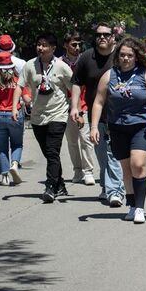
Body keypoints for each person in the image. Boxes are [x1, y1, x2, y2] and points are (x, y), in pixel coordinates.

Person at [89, 37, 146, 224]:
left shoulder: (145, 75)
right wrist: (94, 127)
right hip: (117, 127)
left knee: (138, 164)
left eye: (130, 55)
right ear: (118, 56)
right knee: (126, 169)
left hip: (142, 126)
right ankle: (132, 205)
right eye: (122, 55)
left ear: (136, 57)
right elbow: (99, 102)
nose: (125, 58)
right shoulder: (109, 75)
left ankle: (140, 208)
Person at [15, 33, 74, 203]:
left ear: (53, 48)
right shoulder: (29, 65)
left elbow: (74, 88)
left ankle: (50, 187)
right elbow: (19, 86)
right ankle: (60, 184)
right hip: (37, 116)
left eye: (44, 45)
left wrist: (76, 109)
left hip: (58, 114)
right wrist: (14, 107)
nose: (40, 48)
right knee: (49, 153)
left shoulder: (62, 67)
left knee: (52, 151)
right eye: (39, 44)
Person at [71, 24, 125, 206]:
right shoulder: (87, 57)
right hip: (96, 115)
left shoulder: (121, 56)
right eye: (98, 35)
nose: (102, 37)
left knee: (113, 154)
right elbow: (77, 82)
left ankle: (115, 191)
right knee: (101, 154)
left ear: (113, 37)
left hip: (119, 114)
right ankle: (106, 186)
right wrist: (75, 107)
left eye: (106, 34)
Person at [0, 52, 27, 186]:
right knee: (17, 144)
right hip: (15, 114)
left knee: (2, 148)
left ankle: (4, 177)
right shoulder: (18, 80)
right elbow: (27, 99)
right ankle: (14, 164)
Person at [62, 32, 96, 185]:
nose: (77, 47)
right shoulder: (59, 63)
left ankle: (88, 171)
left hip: (84, 104)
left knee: (86, 139)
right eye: (73, 44)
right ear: (66, 45)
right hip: (66, 106)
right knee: (72, 141)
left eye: (79, 45)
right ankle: (77, 170)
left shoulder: (85, 60)